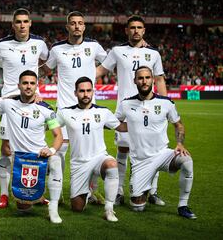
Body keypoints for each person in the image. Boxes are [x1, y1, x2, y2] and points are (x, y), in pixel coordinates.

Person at [96, 14, 167, 205]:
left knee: (153, 152)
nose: (136, 30)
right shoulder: (117, 51)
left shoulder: (154, 53)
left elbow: (159, 79)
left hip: (151, 110)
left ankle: (152, 191)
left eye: (139, 27)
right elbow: (100, 71)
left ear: (144, 30)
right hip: (126, 110)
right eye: (132, 27)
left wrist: (164, 105)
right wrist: (77, 76)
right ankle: (119, 192)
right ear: (127, 30)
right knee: (123, 150)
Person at [115, 66, 196, 219]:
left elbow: (179, 125)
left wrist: (180, 143)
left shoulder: (166, 103)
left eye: (147, 77)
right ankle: (146, 186)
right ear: (135, 81)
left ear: (152, 80)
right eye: (140, 78)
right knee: (137, 207)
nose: (144, 81)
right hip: (140, 161)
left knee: (187, 161)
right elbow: (117, 123)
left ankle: (183, 205)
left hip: (162, 154)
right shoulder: (126, 104)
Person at [0, 8, 49, 208]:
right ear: (13, 25)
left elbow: (46, 60)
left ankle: (35, 191)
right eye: (18, 22)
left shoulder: (39, 43)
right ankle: (4, 194)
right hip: (9, 103)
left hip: (32, 101)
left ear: (30, 23)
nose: (22, 25)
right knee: (6, 149)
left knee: (33, 148)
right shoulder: (2, 45)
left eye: (25, 21)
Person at [45, 11, 107, 204]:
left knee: (93, 151)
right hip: (64, 109)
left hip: (88, 108)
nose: (77, 26)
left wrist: (92, 74)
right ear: (67, 27)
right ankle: (58, 192)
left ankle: (92, 190)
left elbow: (109, 63)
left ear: (84, 26)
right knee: (60, 151)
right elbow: (47, 69)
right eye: (73, 23)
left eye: (80, 23)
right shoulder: (56, 49)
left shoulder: (94, 46)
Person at [0, 70, 63, 223]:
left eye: (31, 83)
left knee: (56, 161)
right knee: (23, 208)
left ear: (37, 86)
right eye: (25, 83)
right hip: (21, 161)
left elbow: (58, 135)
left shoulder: (46, 109)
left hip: (40, 157)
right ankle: (37, 195)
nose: (28, 86)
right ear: (19, 85)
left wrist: (51, 150)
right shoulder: (8, 104)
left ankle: (53, 209)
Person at [57, 76, 127, 222]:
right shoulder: (65, 113)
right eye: (81, 91)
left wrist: (141, 119)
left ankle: (109, 209)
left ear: (93, 92)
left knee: (112, 164)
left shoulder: (103, 112)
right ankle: (88, 191)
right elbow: (49, 125)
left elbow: (121, 127)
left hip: (99, 158)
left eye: (88, 90)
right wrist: (40, 106)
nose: (85, 94)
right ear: (75, 93)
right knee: (77, 208)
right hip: (79, 164)